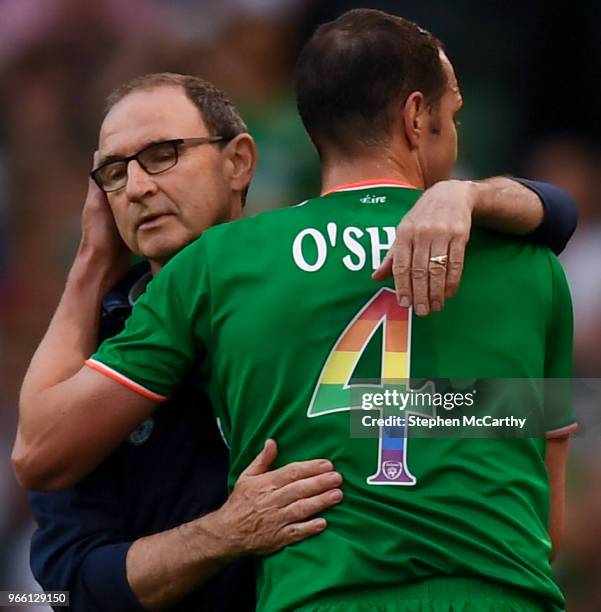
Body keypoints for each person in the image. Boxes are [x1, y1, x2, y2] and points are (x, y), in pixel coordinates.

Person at [15, 10, 577, 609]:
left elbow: (37, 453)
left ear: (244, 160)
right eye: (114, 172)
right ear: (416, 118)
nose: (139, 187)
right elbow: (550, 521)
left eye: (163, 155)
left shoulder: (222, 269)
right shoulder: (531, 265)